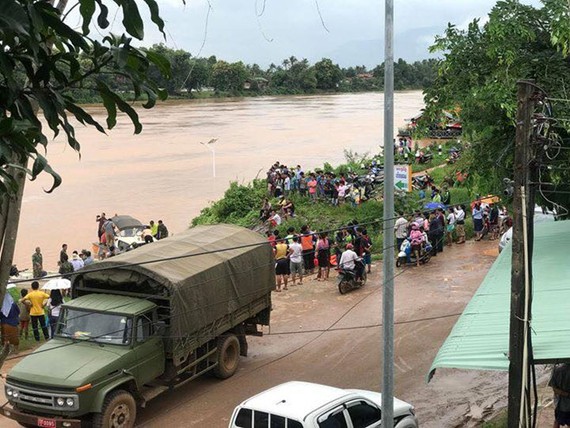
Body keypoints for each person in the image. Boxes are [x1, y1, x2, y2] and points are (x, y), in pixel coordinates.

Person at [549, 363, 570, 428]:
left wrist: (566, 394)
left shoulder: (556, 369)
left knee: (557, 421)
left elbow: (554, 388)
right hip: (563, 403)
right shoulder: (557, 369)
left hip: (560, 403)